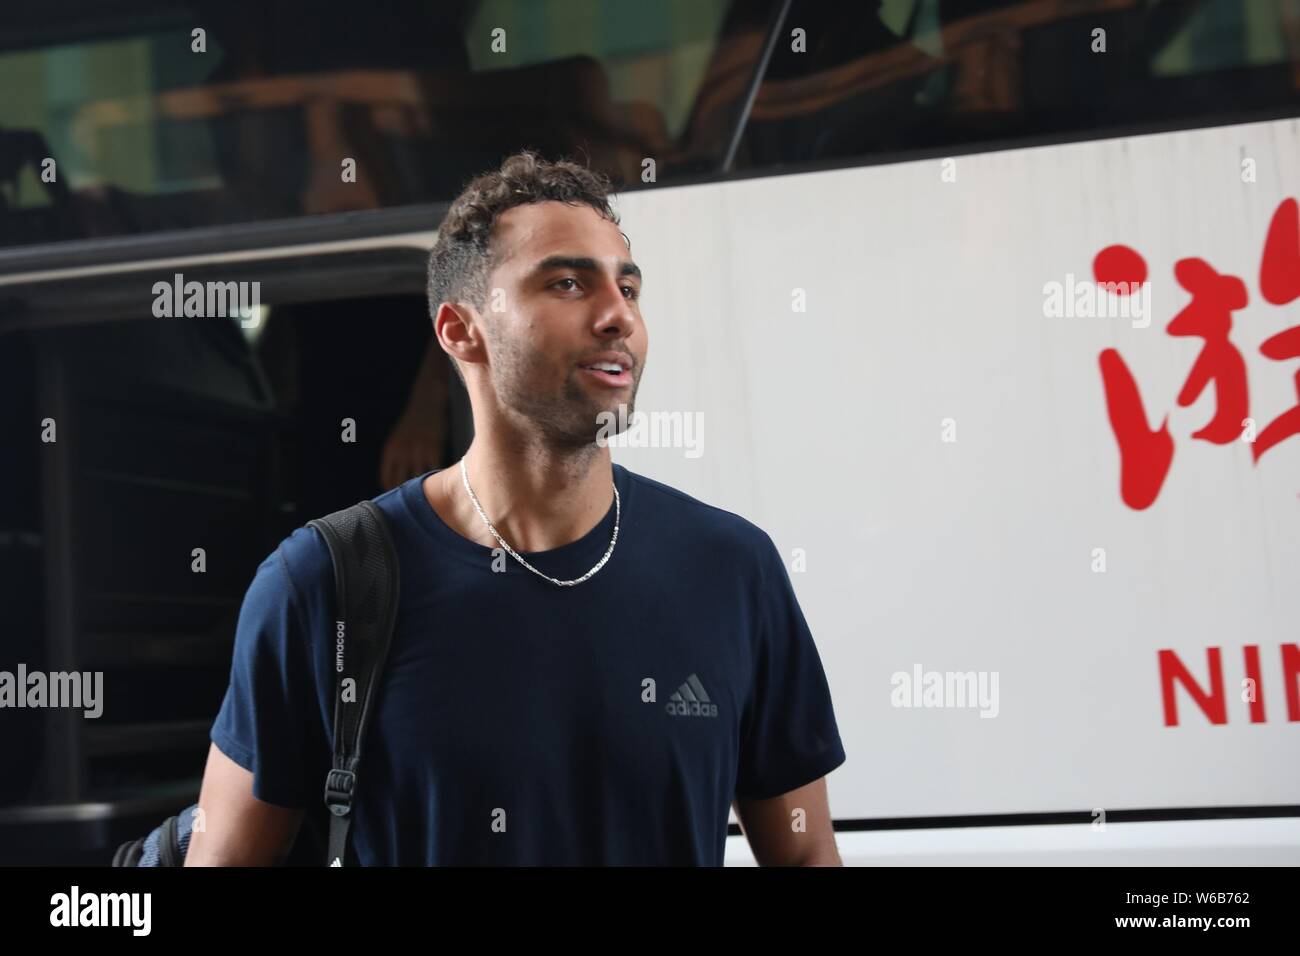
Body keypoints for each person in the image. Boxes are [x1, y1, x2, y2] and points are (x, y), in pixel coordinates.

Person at [189, 151, 846, 866]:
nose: (617, 315)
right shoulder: (325, 583)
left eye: (628, 287)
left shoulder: (731, 568)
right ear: (459, 330)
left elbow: (806, 856)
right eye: (568, 283)